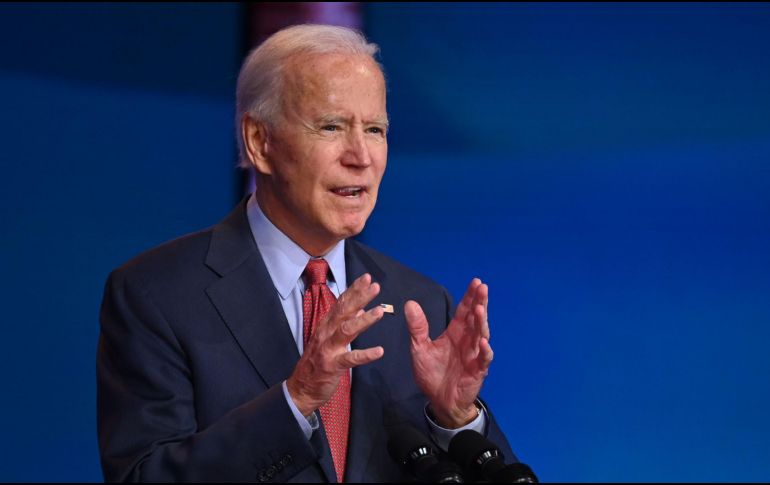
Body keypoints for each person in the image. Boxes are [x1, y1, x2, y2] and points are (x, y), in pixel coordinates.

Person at [97, 24, 515, 482]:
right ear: (260, 142)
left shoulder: (419, 302)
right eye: (331, 126)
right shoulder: (157, 294)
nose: (360, 156)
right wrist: (296, 400)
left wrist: (455, 418)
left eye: (374, 129)